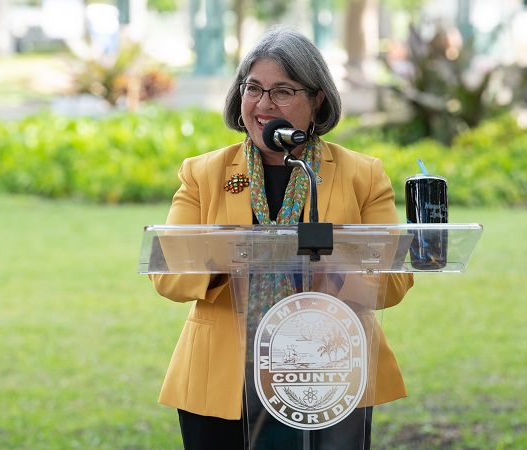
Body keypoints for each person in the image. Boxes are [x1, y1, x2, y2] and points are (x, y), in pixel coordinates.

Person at [148, 25, 414, 449]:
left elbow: (395, 281)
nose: (263, 104)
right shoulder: (204, 174)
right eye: (253, 88)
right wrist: (239, 254)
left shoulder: (362, 175)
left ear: (317, 99)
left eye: (283, 91)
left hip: (328, 375)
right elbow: (167, 271)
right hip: (220, 384)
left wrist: (331, 261)